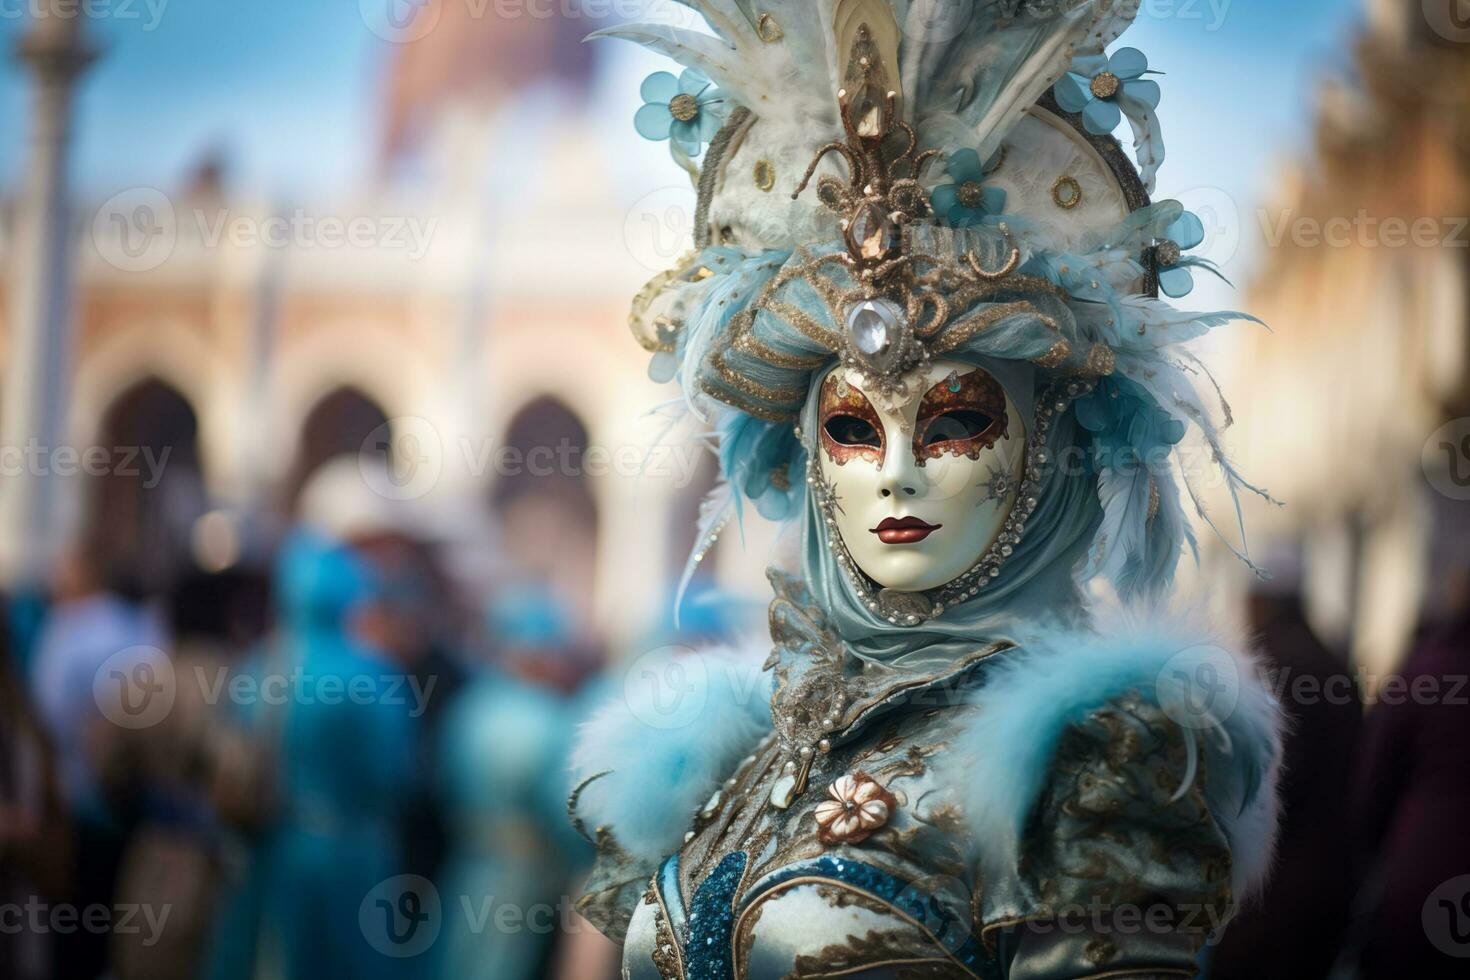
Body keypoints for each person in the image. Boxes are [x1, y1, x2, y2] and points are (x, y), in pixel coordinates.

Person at [569, 3, 1285, 977]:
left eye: (954, 423)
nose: (898, 469)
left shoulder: (1093, 761)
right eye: (854, 430)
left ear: (1047, 453)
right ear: (808, 460)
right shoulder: (736, 750)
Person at [1206, 556, 1361, 979]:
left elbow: (1262, 786)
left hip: (1272, 887)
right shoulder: (1333, 664)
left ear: (1258, 601)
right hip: (1331, 878)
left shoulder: (1268, 665)